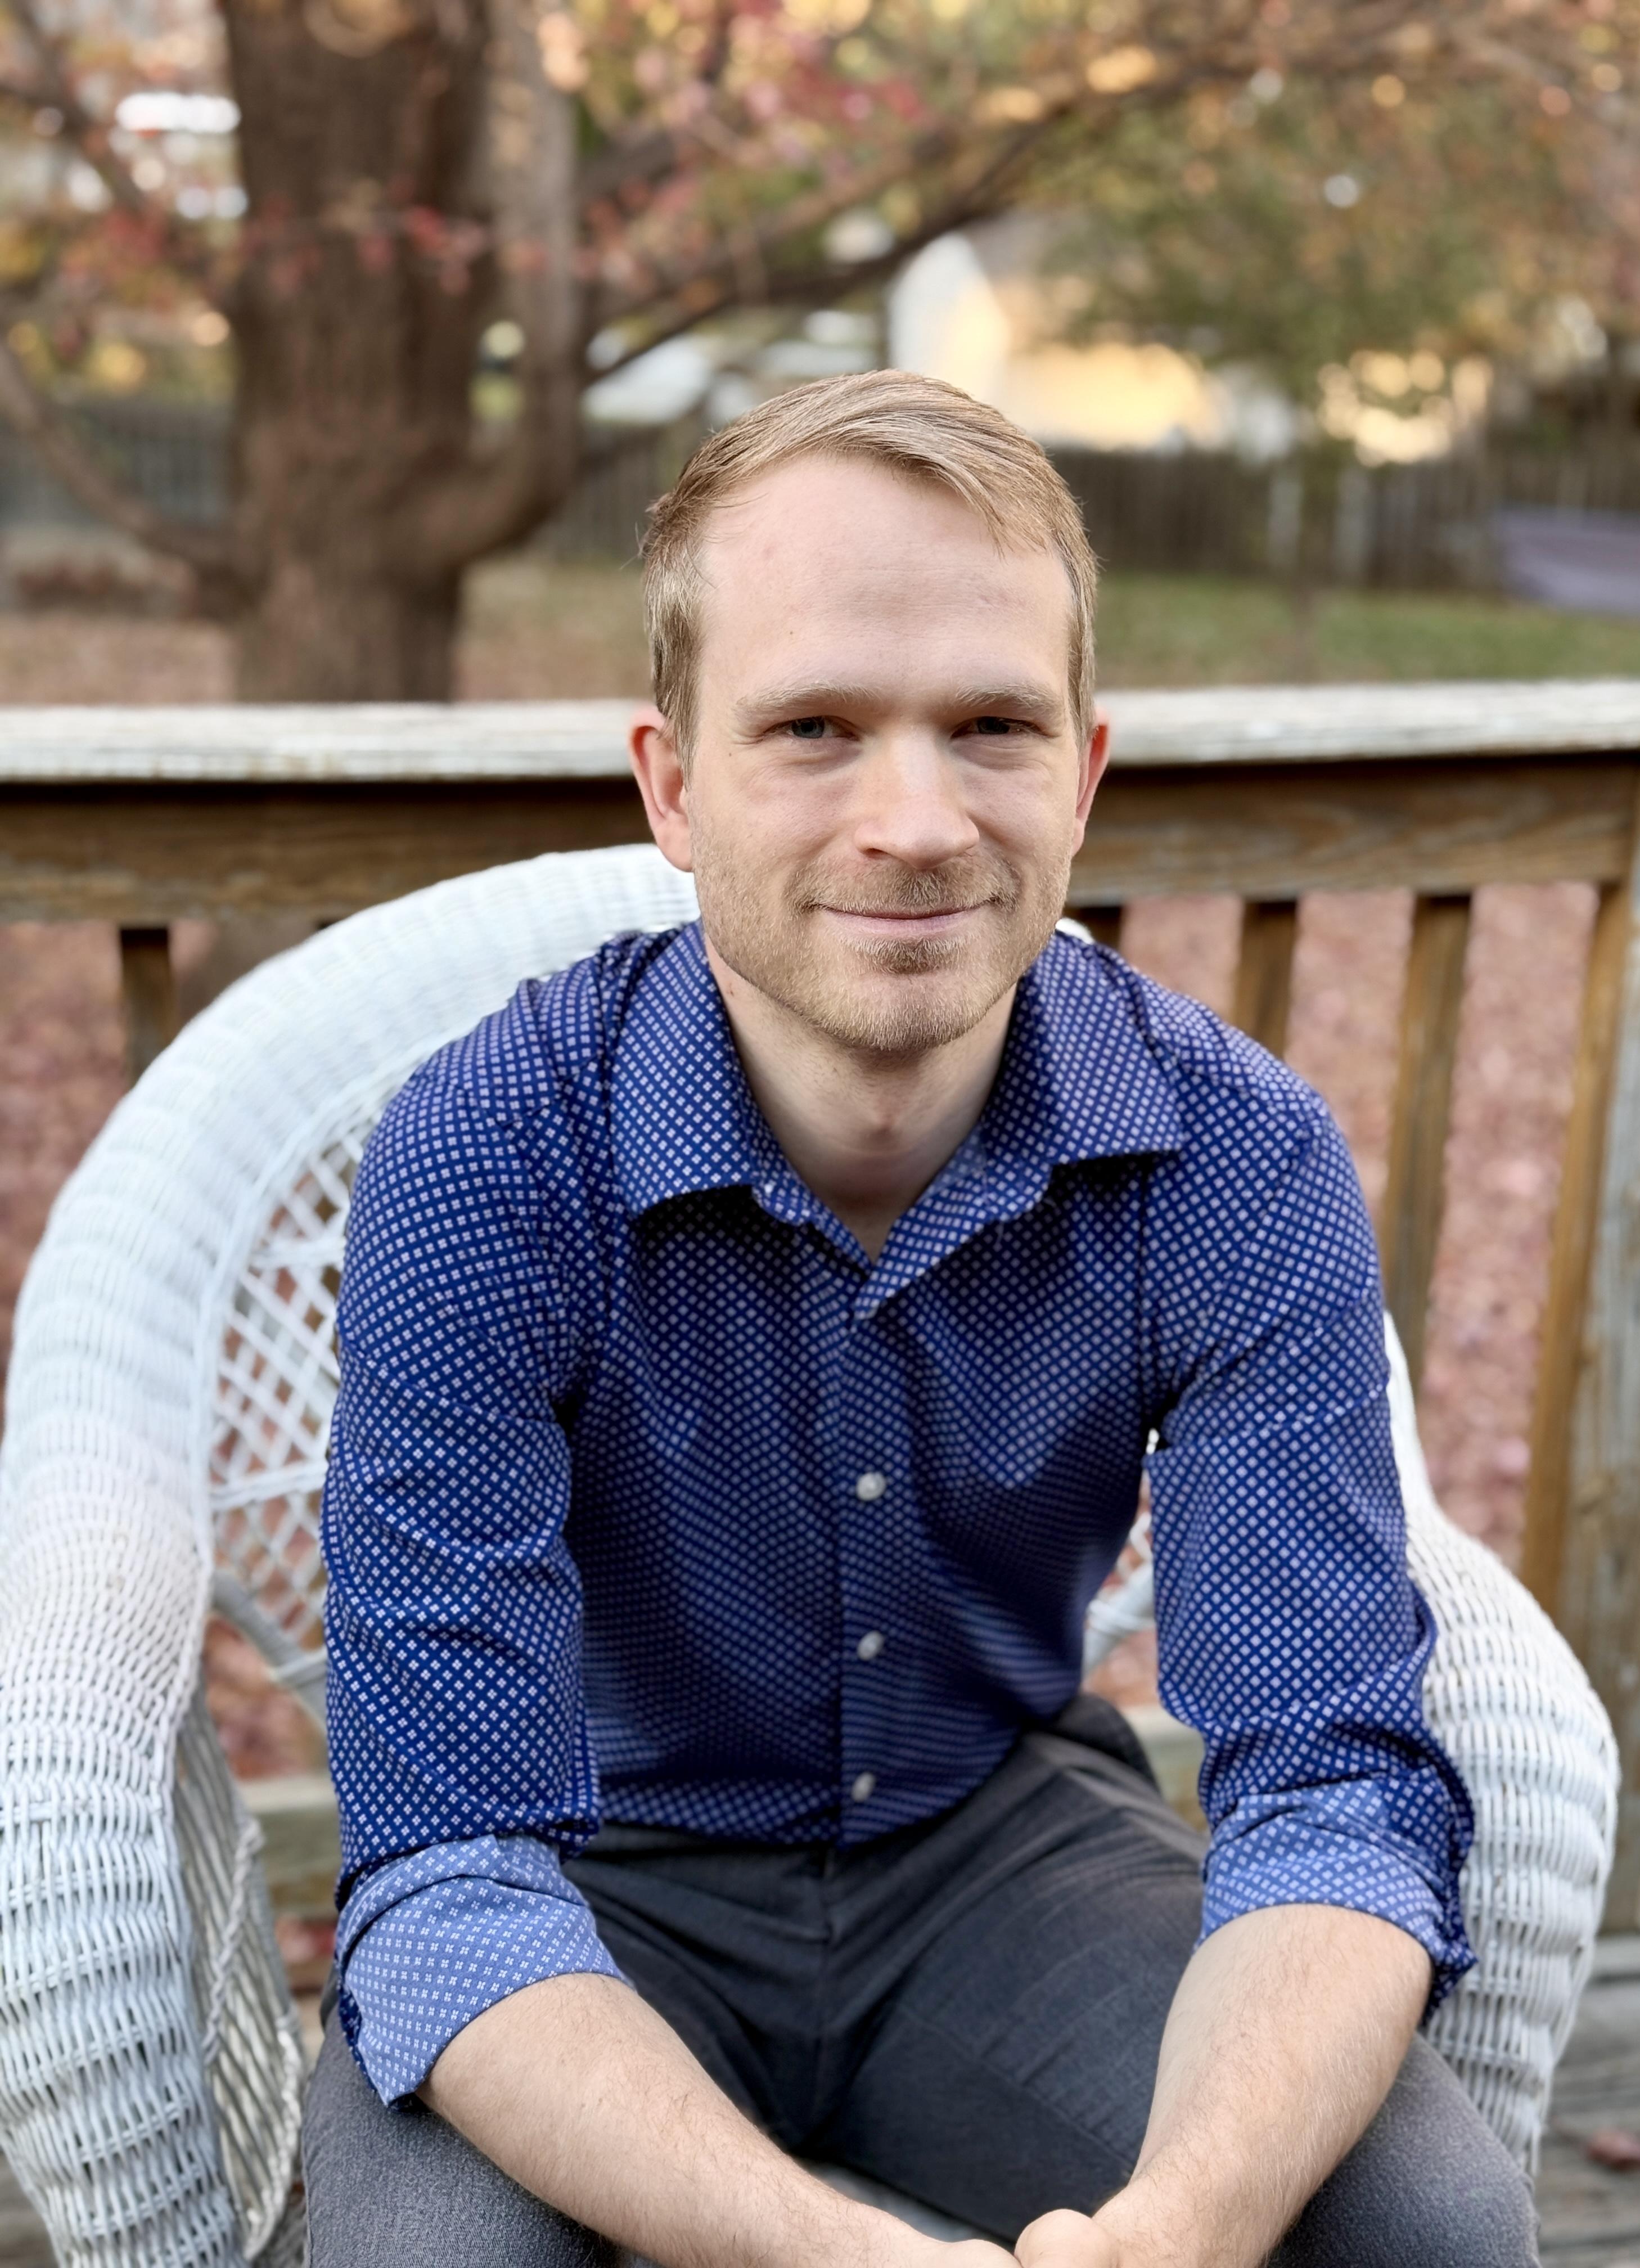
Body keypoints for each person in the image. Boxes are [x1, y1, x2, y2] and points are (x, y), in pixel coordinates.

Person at [304, 370, 1538, 2268]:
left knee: (1419, 2227)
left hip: (995, 1840)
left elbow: (1327, 1782)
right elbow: (448, 1865)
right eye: (813, 728)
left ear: (1084, 772)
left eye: (989, 726)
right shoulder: (487, 1156)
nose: (914, 819)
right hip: (582, 1876)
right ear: (673, 786)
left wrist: (1189, 2223)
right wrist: (829, 2255)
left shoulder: (1234, 1156)